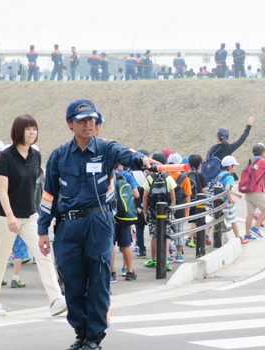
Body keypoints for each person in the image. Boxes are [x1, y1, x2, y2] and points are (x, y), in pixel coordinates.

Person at [37, 99, 156, 350]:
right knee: (72, 280)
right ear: (70, 124)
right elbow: (49, 195)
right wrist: (42, 230)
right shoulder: (59, 155)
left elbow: (127, 154)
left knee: (99, 278)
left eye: (92, 119)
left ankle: (95, 337)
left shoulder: (106, 149)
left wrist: (142, 160)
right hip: (68, 226)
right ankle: (80, 332)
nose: (88, 124)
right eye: (82, 120)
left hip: (99, 222)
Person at [0, 114, 66, 317]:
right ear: (18, 131)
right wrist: (10, 216)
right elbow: (2, 190)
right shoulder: (6, 156)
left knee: (44, 255)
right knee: (0, 260)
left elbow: (39, 186)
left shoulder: (35, 155)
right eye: (28, 128)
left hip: (30, 216)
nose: (32, 132)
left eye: (34, 129)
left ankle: (56, 299)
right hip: (5, 217)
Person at [142, 152, 176, 269]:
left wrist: (145, 212)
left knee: (154, 236)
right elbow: (172, 194)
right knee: (165, 235)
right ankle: (165, 261)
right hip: (166, 210)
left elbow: (145, 196)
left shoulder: (150, 178)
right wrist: (172, 209)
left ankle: (154, 260)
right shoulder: (168, 178)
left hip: (153, 210)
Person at [209, 156, 249, 244]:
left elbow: (223, 188)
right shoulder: (230, 177)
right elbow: (227, 189)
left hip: (217, 201)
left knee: (214, 219)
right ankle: (238, 237)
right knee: (233, 220)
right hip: (226, 202)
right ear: (230, 166)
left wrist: (236, 194)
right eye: (235, 166)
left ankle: (205, 236)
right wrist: (231, 199)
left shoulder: (220, 175)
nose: (235, 168)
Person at [110, 164, 139, 281]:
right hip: (124, 217)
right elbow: (136, 194)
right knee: (126, 245)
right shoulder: (126, 175)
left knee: (110, 245)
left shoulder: (106, 176)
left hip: (111, 217)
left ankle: (112, 273)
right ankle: (129, 271)